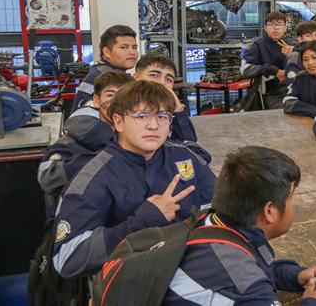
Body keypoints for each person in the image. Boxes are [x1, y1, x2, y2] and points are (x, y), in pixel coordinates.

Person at [52, 80, 216, 279]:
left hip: (193, 269)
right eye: (142, 116)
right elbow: (68, 258)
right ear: (118, 122)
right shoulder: (93, 178)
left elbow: (220, 211)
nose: (154, 125)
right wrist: (144, 221)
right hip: (133, 285)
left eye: (162, 116)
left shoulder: (187, 159)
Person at [162, 146, 316, 306]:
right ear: (269, 211)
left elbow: (258, 268)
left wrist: (293, 276)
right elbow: (244, 279)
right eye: (291, 196)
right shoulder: (248, 287)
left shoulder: (212, 222)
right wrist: (315, 302)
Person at [38, 71, 133, 213]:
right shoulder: (75, 141)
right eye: (110, 95)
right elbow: (48, 178)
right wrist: (106, 156)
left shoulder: (139, 141)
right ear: (96, 100)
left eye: (124, 95)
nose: (116, 102)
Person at [133, 54, 199, 143]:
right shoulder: (121, 107)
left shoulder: (167, 113)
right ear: (136, 78)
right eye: (154, 75)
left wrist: (178, 111)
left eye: (169, 79)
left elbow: (189, 146)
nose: (162, 82)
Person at [72, 25, 138, 110]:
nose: (132, 52)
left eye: (134, 47)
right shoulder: (105, 76)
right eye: (124, 47)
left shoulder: (102, 70)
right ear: (107, 52)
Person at [242, 11, 292, 108]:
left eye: (279, 24)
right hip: (271, 92)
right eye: (271, 24)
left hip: (293, 88)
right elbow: (246, 69)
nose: (276, 27)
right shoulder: (257, 45)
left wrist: (292, 55)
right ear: (265, 28)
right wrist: (274, 71)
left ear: (285, 28)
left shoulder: (291, 45)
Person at [283, 41, 316, 117]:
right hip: (304, 122)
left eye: (314, 58)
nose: (310, 63)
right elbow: (288, 103)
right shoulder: (301, 77)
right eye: (305, 59)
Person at [285, 21, 316, 86]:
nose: (314, 39)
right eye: (308, 35)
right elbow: (292, 83)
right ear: (300, 39)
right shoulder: (295, 56)